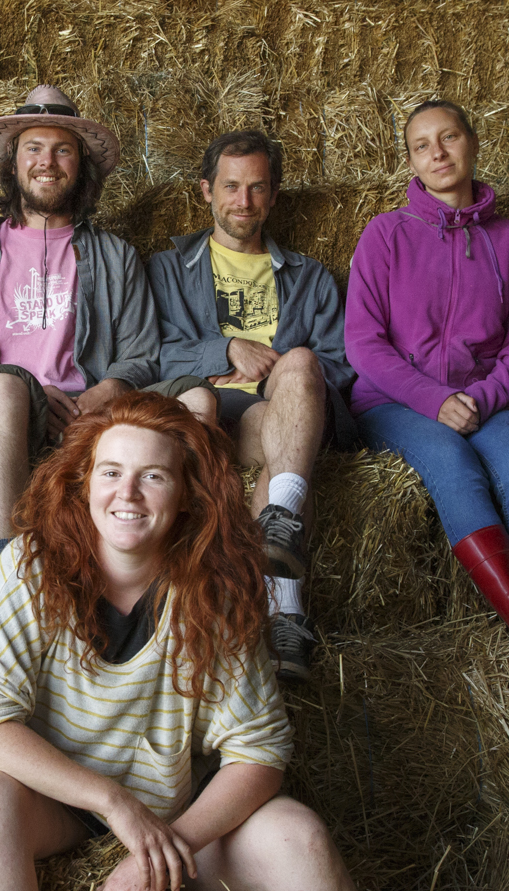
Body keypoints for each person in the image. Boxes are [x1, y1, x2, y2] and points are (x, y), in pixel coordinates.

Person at [0, 392, 412, 891]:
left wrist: (166, 847)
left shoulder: (214, 586)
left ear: (187, 492)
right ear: (81, 479)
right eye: (110, 472)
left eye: (153, 476)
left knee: (302, 839)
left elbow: (258, 754)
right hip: (57, 806)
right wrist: (113, 804)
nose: (126, 493)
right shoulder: (32, 566)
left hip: (175, 815)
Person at [344, 100, 509, 710]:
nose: (438, 153)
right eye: (422, 145)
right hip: (396, 401)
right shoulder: (385, 235)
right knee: (453, 465)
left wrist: (478, 397)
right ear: (412, 162)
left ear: (473, 144)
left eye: (448, 138)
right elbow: (363, 345)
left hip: (483, 400)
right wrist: (435, 398)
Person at [147, 129, 360, 684]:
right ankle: (287, 613)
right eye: (232, 187)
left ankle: (279, 531)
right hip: (207, 414)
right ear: (205, 190)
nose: (244, 202)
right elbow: (149, 353)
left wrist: (283, 374)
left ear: (275, 195)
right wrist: (225, 349)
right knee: (285, 443)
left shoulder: (310, 277)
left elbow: (339, 365)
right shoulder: (167, 270)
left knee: (303, 366)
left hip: (280, 415)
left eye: (257, 188)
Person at [0, 84, 160, 570]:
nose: (47, 162)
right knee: (3, 390)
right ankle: (5, 569)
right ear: (13, 163)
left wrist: (105, 391)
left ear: (81, 165)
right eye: (33, 148)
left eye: (62, 150)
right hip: (0, 415)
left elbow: (142, 352)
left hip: (90, 413)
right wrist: (24, 390)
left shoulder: (117, 258)